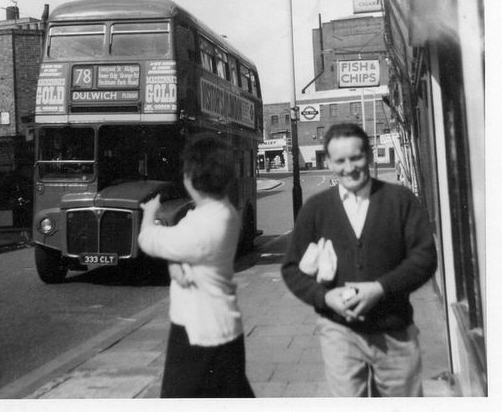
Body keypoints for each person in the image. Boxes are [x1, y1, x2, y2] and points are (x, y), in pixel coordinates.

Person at [281, 123, 437, 397]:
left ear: (370, 155)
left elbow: (425, 257)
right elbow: (291, 269)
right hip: (338, 332)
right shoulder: (316, 209)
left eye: (356, 157)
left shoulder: (400, 200)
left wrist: (380, 288)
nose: (349, 167)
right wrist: (325, 298)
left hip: (394, 330)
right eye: (340, 160)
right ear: (328, 162)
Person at [139, 133, 254, 398]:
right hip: (223, 327)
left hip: (199, 332)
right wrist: (176, 261)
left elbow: (149, 240)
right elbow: (186, 250)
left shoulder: (200, 226)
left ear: (189, 179)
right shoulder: (225, 212)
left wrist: (149, 214)